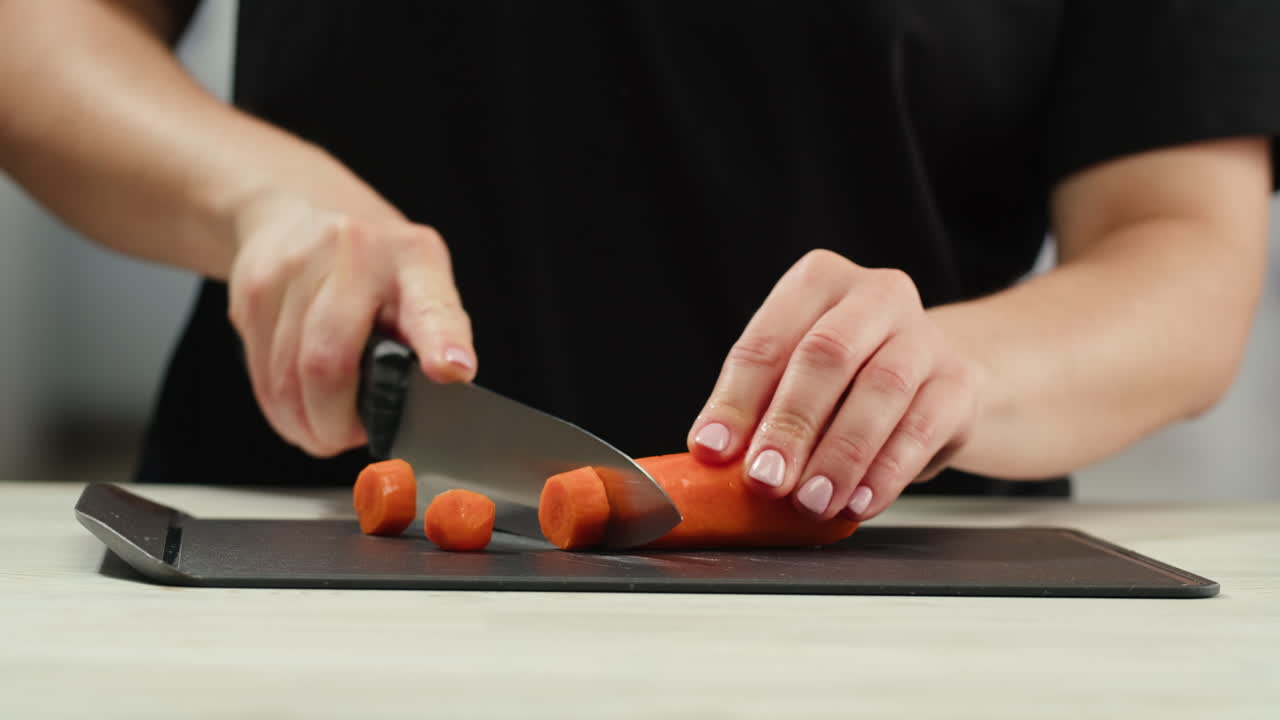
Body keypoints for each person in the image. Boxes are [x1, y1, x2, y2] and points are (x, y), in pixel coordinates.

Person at [1, 1, 1277, 524]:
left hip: (893, 607)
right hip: (293, 554)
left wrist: (954, 371)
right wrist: (256, 197)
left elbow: (1181, 248)